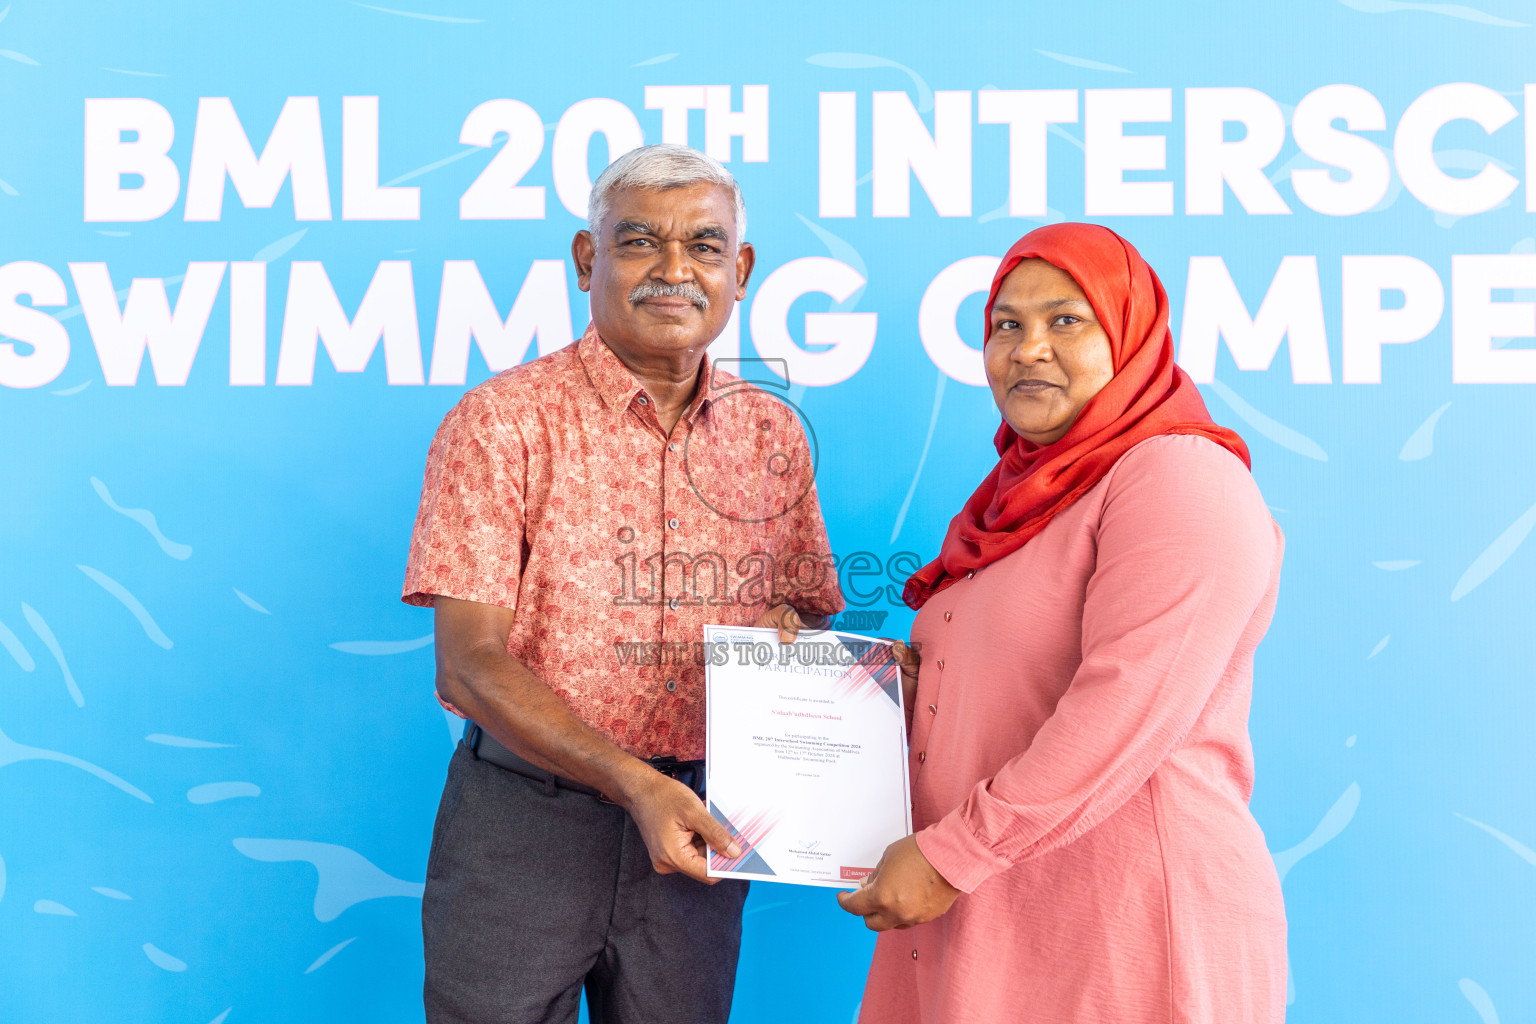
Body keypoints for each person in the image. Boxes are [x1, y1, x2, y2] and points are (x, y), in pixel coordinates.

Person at [402, 143, 844, 1024]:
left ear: (741, 269)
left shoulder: (771, 435)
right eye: (639, 241)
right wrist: (634, 783)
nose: (674, 270)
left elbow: (801, 631)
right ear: (585, 259)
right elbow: (468, 666)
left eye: (705, 247)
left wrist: (849, 686)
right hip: (523, 824)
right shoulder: (502, 423)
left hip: (696, 839)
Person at [840, 223, 1287, 1023]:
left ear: (1130, 335)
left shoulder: (1179, 476)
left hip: (1121, 925)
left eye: (1065, 321)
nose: (1027, 348)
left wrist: (950, 858)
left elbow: (1126, 706)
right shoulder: (1019, 498)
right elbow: (1009, 686)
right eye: (1006, 325)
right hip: (986, 906)